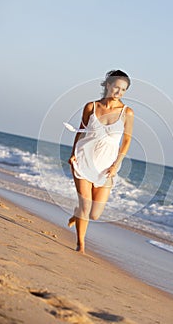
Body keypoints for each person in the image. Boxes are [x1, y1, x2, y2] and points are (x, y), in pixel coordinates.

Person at [68, 70, 134, 253]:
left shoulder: (127, 113)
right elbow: (81, 131)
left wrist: (116, 165)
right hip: (84, 160)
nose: (119, 92)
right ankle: (80, 245)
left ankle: (77, 212)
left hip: (106, 167)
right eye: (116, 87)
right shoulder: (91, 107)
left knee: (94, 214)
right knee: (86, 205)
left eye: (123, 90)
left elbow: (127, 141)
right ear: (107, 85)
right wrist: (73, 153)